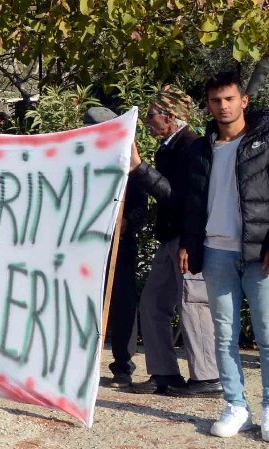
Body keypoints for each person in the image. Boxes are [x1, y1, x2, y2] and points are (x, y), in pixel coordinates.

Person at [180, 71, 269, 439]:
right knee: (224, 335)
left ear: (244, 100)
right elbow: (193, 201)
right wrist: (189, 241)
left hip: (258, 252)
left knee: (267, 335)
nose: (223, 106)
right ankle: (236, 406)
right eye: (216, 100)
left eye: (229, 98)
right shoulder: (201, 148)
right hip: (216, 250)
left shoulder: (264, 142)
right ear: (208, 105)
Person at [125, 86, 221, 397]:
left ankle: (207, 377)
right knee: (153, 302)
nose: (149, 121)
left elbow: (183, 199)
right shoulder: (168, 147)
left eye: (152, 115)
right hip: (169, 237)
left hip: (187, 237)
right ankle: (164, 372)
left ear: (170, 116)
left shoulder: (193, 147)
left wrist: (139, 169)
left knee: (193, 303)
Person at [84, 107, 148, 389]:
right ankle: (83, 362)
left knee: (122, 304)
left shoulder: (129, 162)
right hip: (85, 246)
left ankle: (122, 366)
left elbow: (140, 207)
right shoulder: (80, 160)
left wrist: (125, 224)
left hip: (120, 246)